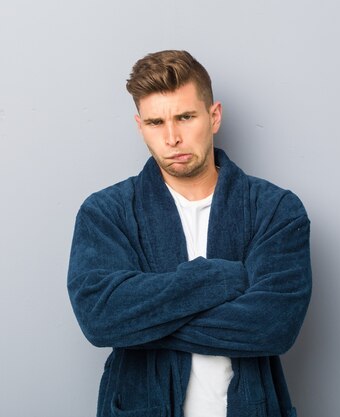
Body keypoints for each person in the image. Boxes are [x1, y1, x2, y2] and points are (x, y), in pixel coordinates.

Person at [67, 50, 311, 417]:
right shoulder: (106, 212)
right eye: (155, 122)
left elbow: (273, 326)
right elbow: (100, 318)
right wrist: (221, 278)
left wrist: (142, 322)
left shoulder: (275, 209)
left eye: (185, 117)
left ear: (213, 117)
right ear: (140, 126)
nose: (172, 137)